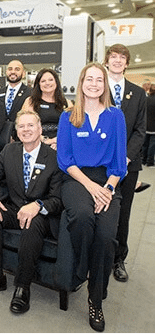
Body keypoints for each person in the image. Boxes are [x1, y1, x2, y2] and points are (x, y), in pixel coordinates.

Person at [0, 111, 63, 314]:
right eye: (21, 126)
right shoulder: (9, 151)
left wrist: (37, 205)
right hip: (15, 207)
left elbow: (57, 200)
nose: (26, 130)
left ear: (39, 129)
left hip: (41, 213)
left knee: (31, 222)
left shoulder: (54, 158)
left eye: (30, 125)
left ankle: (22, 286)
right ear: (16, 131)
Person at [57, 62, 127, 332]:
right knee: (84, 215)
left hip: (108, 181)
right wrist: (90, 187)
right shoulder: (68, 116)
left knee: (106, 236)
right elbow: (65, 159)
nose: (94, 84)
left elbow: (119, 163)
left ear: (105, 84)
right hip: (76, 179)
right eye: (89, 79)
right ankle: (84, 268)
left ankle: (95, 300)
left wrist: (107, 189)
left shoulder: (115, 116)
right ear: (81, 82)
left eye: (100, 79)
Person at [103, 44, 146, 283]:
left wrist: (125, 158)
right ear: (107, 60)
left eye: (122, 57)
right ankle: (100, 256)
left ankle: (118, 259)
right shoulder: (97, 86)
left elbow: (140, 131)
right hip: (100, 163)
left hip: (129, 164)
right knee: (100, 208)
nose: (118, 61)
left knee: (123, 212)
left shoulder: (138, 93)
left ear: (127, 63)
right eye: (113, 56)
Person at [21, 68, 72, 150]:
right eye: (43, 81)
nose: (47, 83)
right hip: (36, 143)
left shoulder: (67, 103)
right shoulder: (30, 102)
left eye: (51, 80)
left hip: (61, 143)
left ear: (56, 82)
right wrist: (45, 140)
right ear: (38, 84)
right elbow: (26, 127)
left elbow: (71, 128)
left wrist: (57, 141)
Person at [141, 84, 155, 169]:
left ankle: (143, 160)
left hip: (145, 125)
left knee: (145, 144)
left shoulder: (145, 99)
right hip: (154, 126)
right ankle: (150, 162)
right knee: (152, 145)